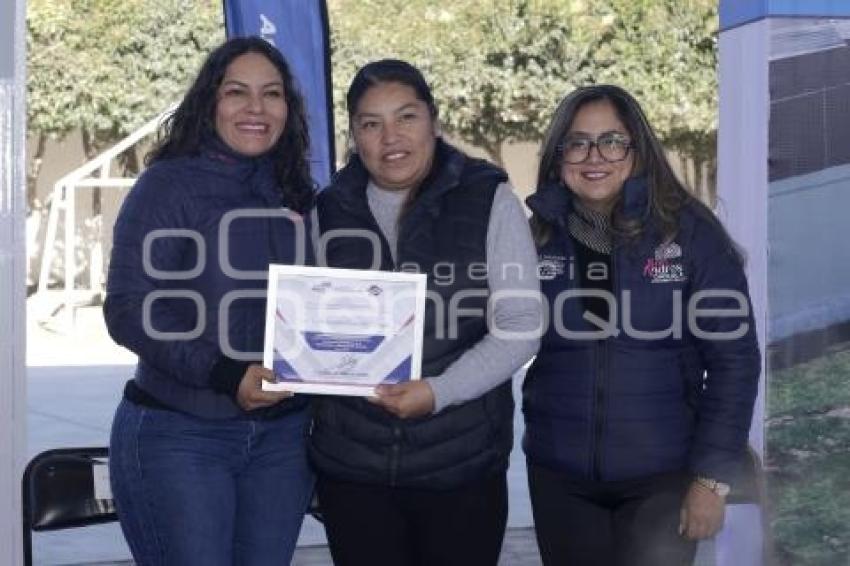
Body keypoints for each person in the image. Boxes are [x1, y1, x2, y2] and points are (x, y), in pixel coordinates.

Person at [309, 59, 542, 566]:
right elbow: (308, 329)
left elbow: (521, 328)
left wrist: (438, 393)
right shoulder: (325, 209)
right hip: (353, 473)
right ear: (354, 135)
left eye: (406, 117)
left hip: (460, 468)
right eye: (371, 124)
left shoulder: (488, 198)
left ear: (434, 121)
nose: (391, 137)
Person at [522, 84, 761, 566]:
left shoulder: (688, 230)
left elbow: (735, 361)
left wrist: (711, 480)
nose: (596, 157)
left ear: (637, 149)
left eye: (612, 141)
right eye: (578, 142)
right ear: (559, 153)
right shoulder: (538, 234)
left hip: (663, 479)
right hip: (560, 477)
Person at [103, 37, 315, 565]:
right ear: (209, 102)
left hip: (281, 441)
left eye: (271, 94)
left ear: (288, 108)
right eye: (237, 92)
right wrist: (226, 373)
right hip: (181, 434)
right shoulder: (166, 186)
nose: (255, 108)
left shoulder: (296, 191)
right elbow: (130, 307)